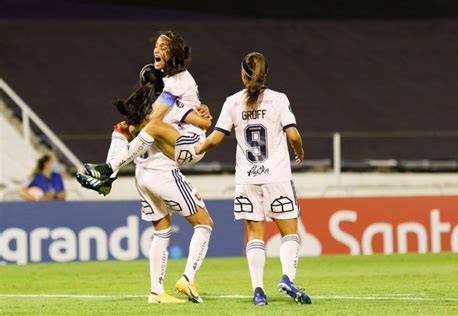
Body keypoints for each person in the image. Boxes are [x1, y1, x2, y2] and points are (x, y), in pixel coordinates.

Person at [76, 64, 214, 304]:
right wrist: (203, 113)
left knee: (161, 232)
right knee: (204, 224)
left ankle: (156, 292)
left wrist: (113, 167)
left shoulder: (138, 111)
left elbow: (121, 131)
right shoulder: (171, 104)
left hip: (143, 176)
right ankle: (187, 278)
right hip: (164, 174)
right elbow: (204, 124)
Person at [195, 52, 311, 305]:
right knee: (290, 232)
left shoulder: (232, 102)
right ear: (266, 73)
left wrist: (195, 150)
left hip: (247, 179)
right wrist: (300, 152)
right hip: (277, 177)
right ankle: (287, 278)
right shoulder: (278, 100)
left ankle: (258, 291)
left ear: (242, 74)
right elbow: (293, 135)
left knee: (255, 234)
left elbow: (214, 139)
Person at [83, 31, 206, 181]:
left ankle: (108, 169)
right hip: (175, 140)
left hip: (192, 144)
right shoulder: (167, 77)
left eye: (163, 47)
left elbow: (154, 118)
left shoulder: (176, 81)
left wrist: (135, 127)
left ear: (173, 53)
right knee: (123, 127)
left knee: (151, 126)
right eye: (156, 46)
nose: (156, 50)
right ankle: (106, 180)